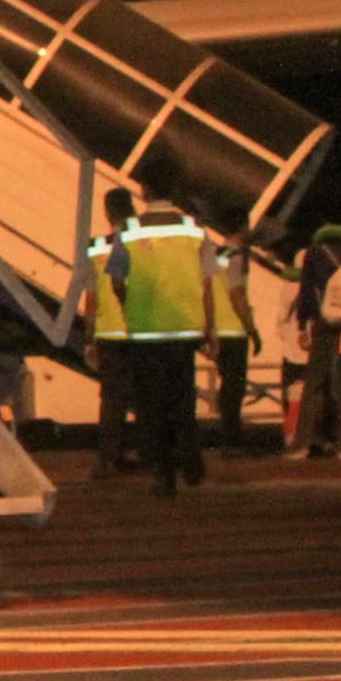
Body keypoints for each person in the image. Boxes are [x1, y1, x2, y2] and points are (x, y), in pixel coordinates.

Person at [116, 202, 214, 493]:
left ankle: (163, 470)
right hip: (183, 330)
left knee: (151, 404)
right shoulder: (195, 231)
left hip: (145, 332)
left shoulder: (128, 230)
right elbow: (207, 284)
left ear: (144, 191)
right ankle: (190, 457)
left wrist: (131, 305)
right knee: (183, 398)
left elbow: (117, 281)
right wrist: (210, 328)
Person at [290, 224, 341, 459]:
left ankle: (303, 443)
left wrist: (302, 324)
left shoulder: (315, 253)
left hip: (325, 324)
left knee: (314, 383)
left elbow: (307, 291)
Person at [82, 190, 140, 475]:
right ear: (131, 209)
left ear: (107, 213)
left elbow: (90, 298)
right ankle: (146, 453)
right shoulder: (140, 243)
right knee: (144, 395)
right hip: (138, 330)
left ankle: (108, 458)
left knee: (111, 399)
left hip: (107, 333)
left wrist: (89, 337)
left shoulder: (95, 247)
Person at [204, 226, 261, 447]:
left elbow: (207, 292)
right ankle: (231, 438)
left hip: (218, 329)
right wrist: (252, 329)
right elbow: (237, 295)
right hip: (235, 330)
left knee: (226, 385)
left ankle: (226, 434)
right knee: (234, 388)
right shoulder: (235, 258)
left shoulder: (214, 255)